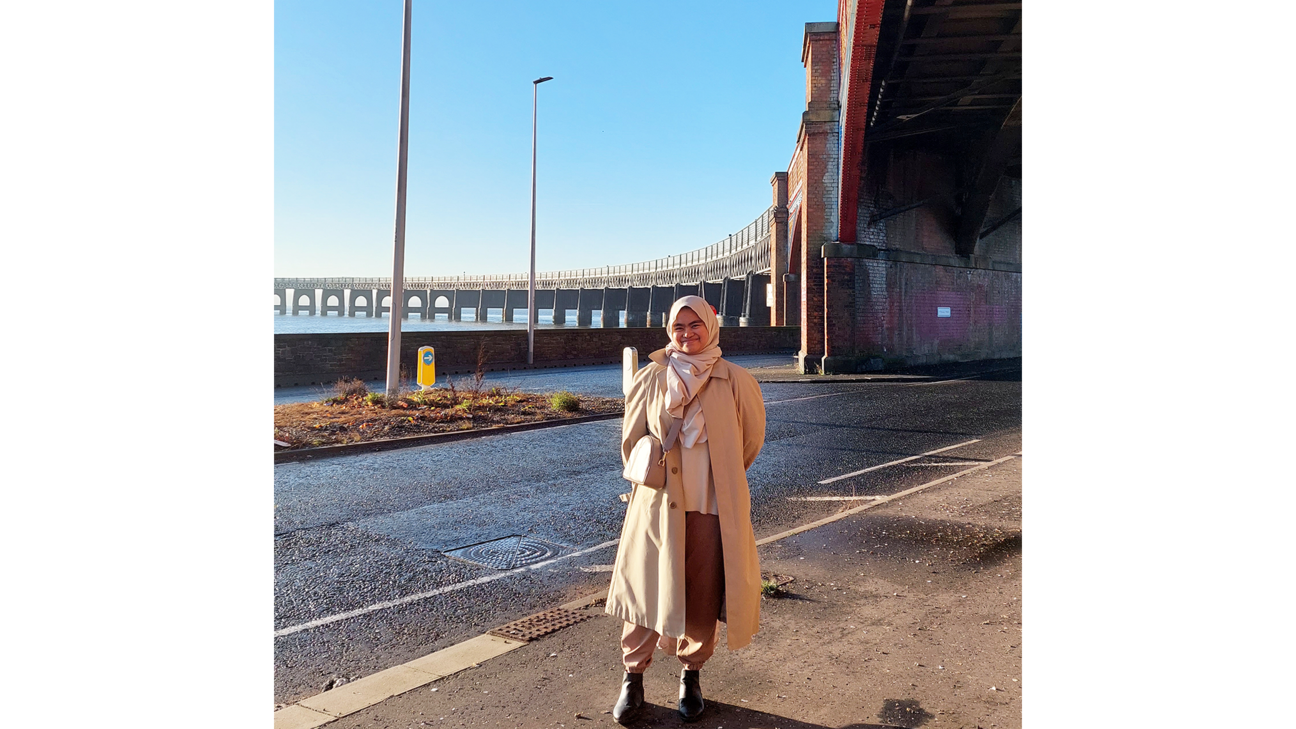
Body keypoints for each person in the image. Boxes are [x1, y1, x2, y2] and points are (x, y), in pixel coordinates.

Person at [605, 295, 767, 724]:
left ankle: (691, 676)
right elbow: (631, 440)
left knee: (701, 594)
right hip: (658, 506)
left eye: (696, 325)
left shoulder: (735, 380)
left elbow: (749, 443)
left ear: (711, 328)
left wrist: (722, 480)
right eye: (679, 327)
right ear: (669, 331)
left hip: (713, 509)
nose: (687, 334)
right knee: (645, 592)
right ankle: (632, 677)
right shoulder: (652, 378)